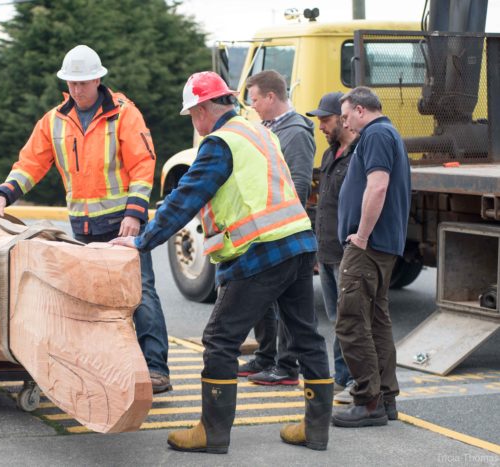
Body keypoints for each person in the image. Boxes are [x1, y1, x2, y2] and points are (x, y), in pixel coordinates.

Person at [111, 71, 332, 454]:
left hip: (261, 250)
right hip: (298, 243)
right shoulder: (260, 131)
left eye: (192, 114)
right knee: (306, 335)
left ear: (202, 109)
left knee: (219, 340)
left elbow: (186, 197)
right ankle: (316, 430)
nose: (194, 123)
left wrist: (142, 241)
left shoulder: (221, 142)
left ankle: (212, 432)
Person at [0, 45, 171, 394]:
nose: (77, 90)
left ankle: (156, 368)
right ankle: (101, 365)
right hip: (82, 227)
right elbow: (30, 164)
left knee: (139, 293)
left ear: (98, 79)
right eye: (72, 83)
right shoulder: (54, 121)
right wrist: (4, 195)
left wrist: (134, 214)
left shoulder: (124, 115)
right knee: (87, 297)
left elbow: (143, 166)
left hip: (122, 224)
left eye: (83, 83)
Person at [332, 86, 411, 427]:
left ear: (361, 110)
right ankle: (386, 398)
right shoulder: (386, 133)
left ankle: (368, 401)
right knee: (376, 321)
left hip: (368, 246)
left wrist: (361, 236)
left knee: (351, 320)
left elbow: (377, 186)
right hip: (381, 245)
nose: (345, 123)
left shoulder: (377, 134)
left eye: (347, 116)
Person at [237, 70, 316, 386]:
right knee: (264, 300)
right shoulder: (267, 129)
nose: (252, 105)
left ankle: (286, 366)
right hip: (263, 229)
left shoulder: (295, 133)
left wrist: (273, 222)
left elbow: (297, 183)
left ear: (271, 97)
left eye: (255, 99)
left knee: (285, 303)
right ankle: (266, 357)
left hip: (280, 230)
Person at [305, 92, 358, 403]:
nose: (321, 126)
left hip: (345, 252)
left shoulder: (358, 155)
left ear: (343, 118)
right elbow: (324, 205)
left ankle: (355, 380)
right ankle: (342, 376)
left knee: (351, 320)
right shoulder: (330, 156)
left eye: (325, 120)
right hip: (325, 251)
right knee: (337, 320)